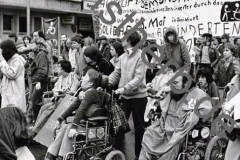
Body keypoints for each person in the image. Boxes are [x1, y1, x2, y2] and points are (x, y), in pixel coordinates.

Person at [139, 74, 212, 160]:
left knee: (172, 145)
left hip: (179, 129)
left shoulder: (198, 93)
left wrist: (193, 114)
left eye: (175, 83)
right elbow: (163, 106)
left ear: (185, 84)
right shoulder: (174, 92)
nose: (172, 85)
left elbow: (207, 109)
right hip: (165, 125)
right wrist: (161, 116)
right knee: (149, 134)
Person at [45, 69, 103, 160]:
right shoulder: (84, 92)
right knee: (64, 127)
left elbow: (81, 110)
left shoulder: (91, 93)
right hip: (84, 122)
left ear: (91, 83)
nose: (82, 78)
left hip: (91, 124)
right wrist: (60, 119)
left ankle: (63, 156)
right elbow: (72, 107)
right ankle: (52, 154)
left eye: (85, 77)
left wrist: (74, 127)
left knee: (68, 128)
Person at [108, 31, 147, 160]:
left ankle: (139, 155)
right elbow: (116, 73)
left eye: (124, 37)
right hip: (125, 97)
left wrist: (124, 88)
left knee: (139, 128)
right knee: (119, 126)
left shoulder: (142, 56)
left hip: (138, 97)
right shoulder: (123, 56)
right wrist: (106, 81)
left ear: (129, 41)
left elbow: (139, 78)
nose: (121, 39)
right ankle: (116, 154)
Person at [32, 60, 80, 134]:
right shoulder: (61, 77)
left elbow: (71, 90)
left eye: (58, 67)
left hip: (66, 101)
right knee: (43, 108)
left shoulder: (72, 76)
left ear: (63, 69)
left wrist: (60, 91)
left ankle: (35, 131)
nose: (56, 69)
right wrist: (58, 90)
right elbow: (55, 88)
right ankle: (37, 130)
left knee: (46, 112)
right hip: (57, 99)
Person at [0, 40, 26, 113]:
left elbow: (11, 74)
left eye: (2, 50)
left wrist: (2, 61)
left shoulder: (17, 60)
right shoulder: (9, 59)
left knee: (13, 115)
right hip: (9, 93)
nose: (2, 53)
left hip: (14, 94)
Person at [28, 37, 50, 123]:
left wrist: (38, 81)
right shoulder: (38, 54)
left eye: (32, 44)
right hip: (37, 81)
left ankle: (37, 122)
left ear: (38, 45)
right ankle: (37, 122)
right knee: (35, 103)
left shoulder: (41, 54)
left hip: (39, 82)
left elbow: (42, 70)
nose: (31, 46)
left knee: (35, 103)